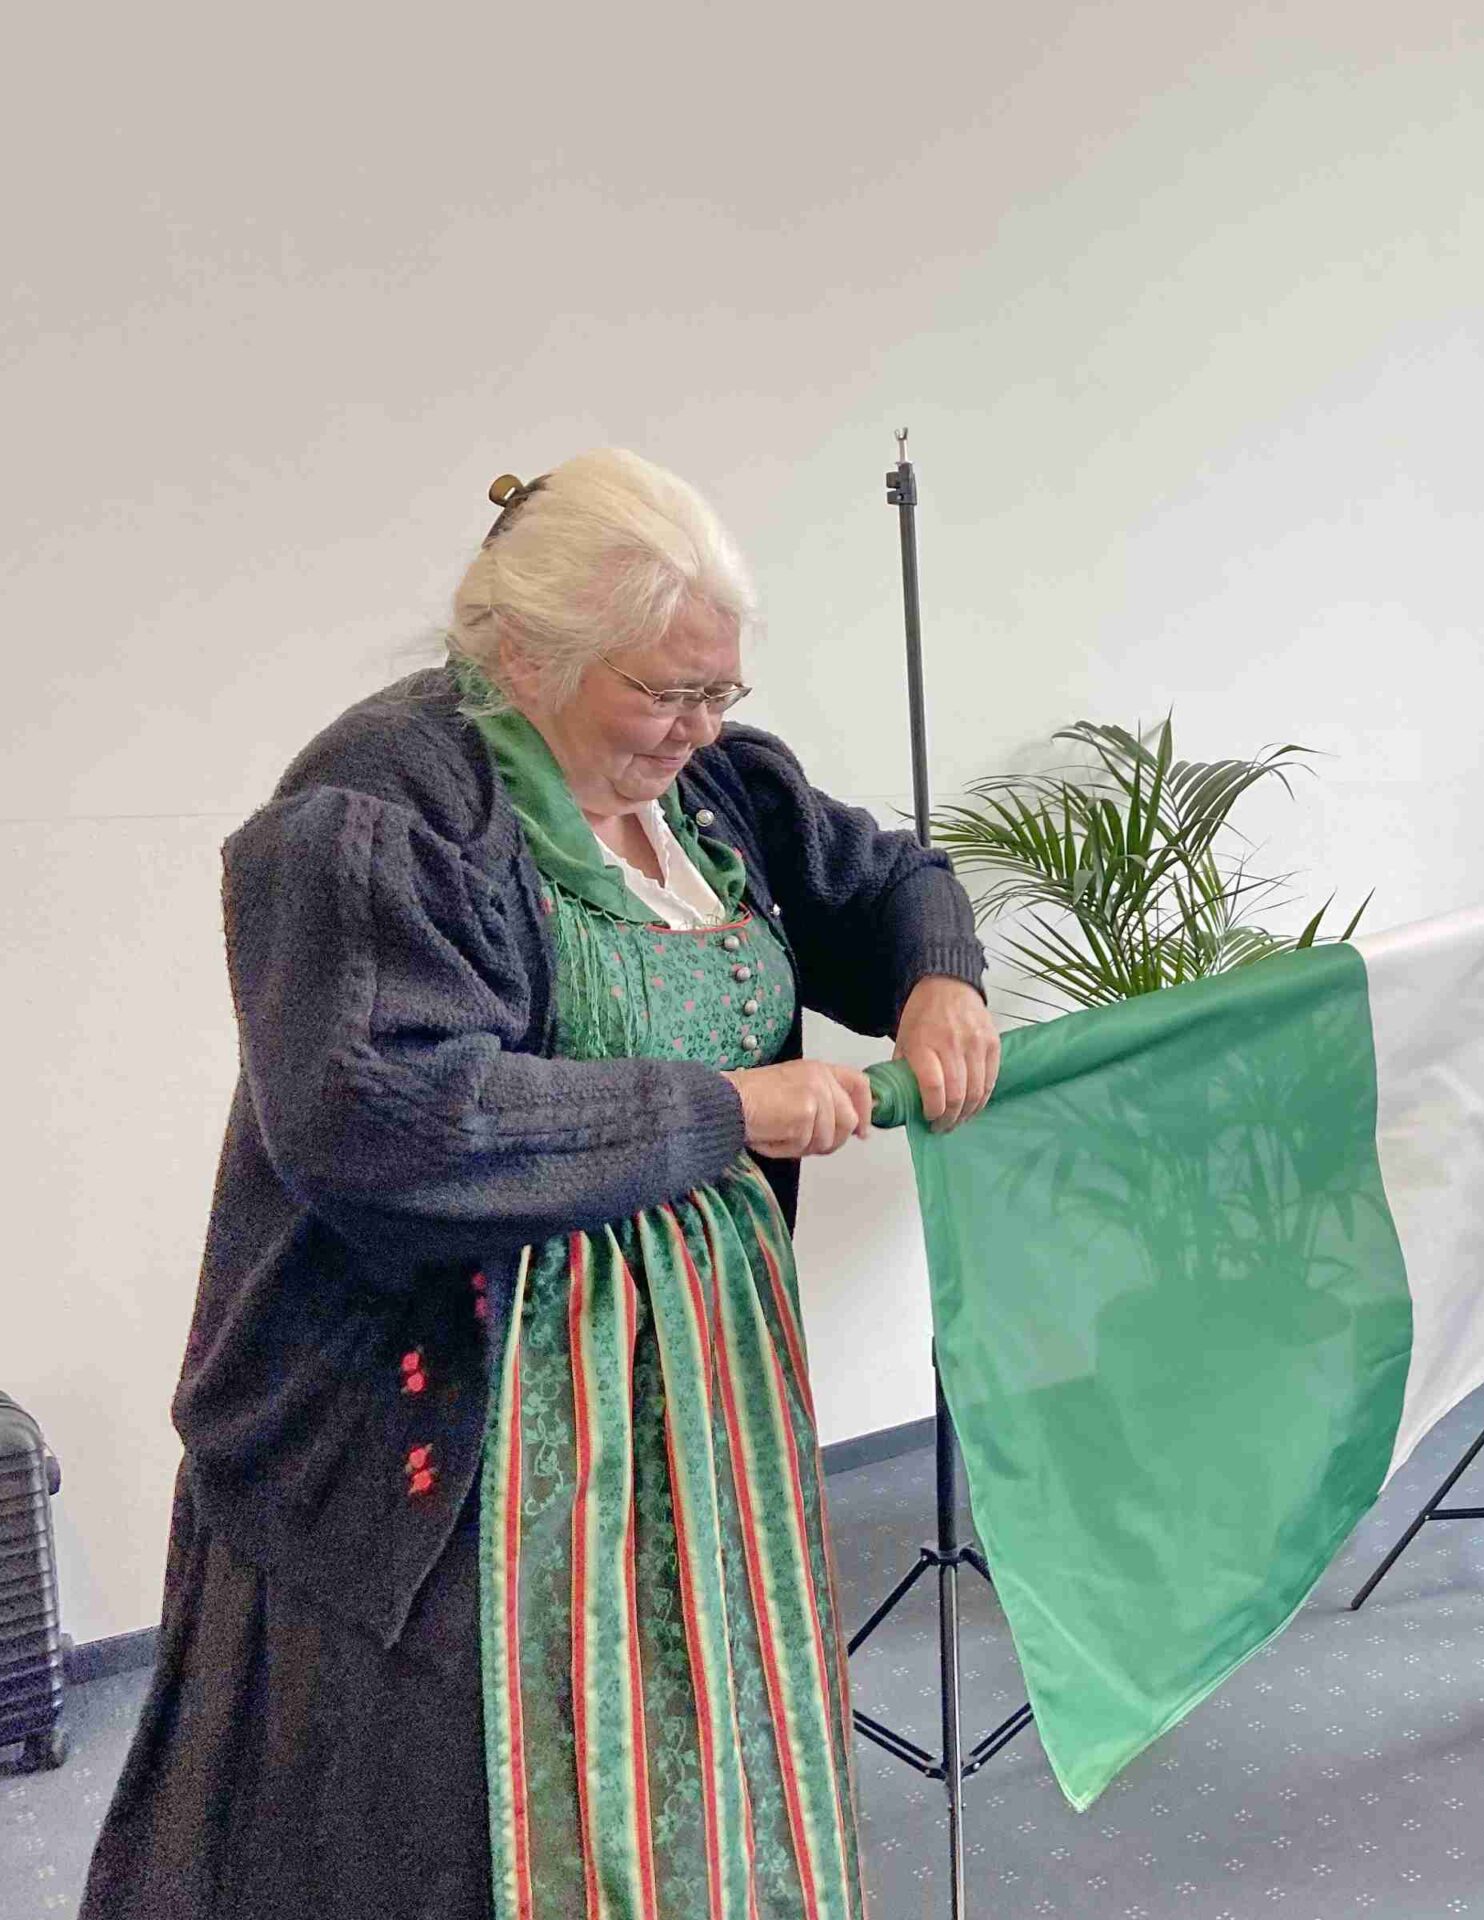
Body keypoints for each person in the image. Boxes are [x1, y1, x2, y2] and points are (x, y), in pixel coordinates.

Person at [82, 450, 1000, 1920]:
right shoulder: (380, 807)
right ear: (524, 655)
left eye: (721, 690)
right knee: (445, 1825)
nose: (702, 727)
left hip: (691, 1420)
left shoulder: (717, 790)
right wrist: (723, 1109)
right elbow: (384, 1121)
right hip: (445, 1430)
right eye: (665, 692)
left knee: (700, 1773)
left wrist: (935, 977)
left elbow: (888, 881)